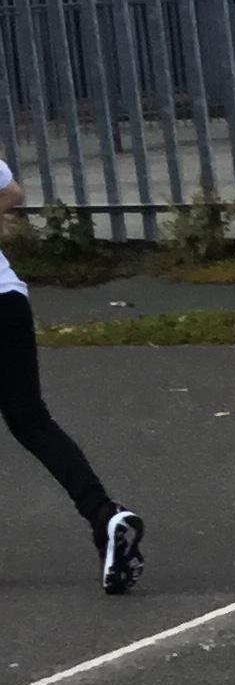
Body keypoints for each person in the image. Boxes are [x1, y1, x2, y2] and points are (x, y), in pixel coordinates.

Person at [0, 161, 142, 593]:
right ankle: (103, 514)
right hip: (7, 301)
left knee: (30, 420)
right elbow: (11, 191)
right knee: (32, 421)